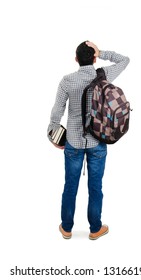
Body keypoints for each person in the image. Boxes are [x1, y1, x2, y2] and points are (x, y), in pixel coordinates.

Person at [47, 41, 130, 240]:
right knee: (95, 186)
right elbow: (124, 60)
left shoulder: (67, 80)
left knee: (70, 185)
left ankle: (66, 228)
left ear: (76, 59)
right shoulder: (103, 76)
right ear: (94, 58)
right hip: (98, 140)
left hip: (73, 141)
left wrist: (53, 134)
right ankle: (95, 229)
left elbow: (56, 113)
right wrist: (101, 51)